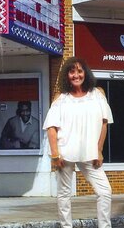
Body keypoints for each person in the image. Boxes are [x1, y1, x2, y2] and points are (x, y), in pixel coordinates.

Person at [43, 57, 113, 228]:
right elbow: (51, 127)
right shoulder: (61, 98)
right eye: (72, 71)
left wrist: (99, 150)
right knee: (64, 194)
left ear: (85, 73)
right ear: (67, 75)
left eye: (79, 71)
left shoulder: (98, 94)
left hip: (89, 153)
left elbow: (104, 123)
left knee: (105, 191)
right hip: (65, 153)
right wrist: (55, 154)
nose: (76, 75)